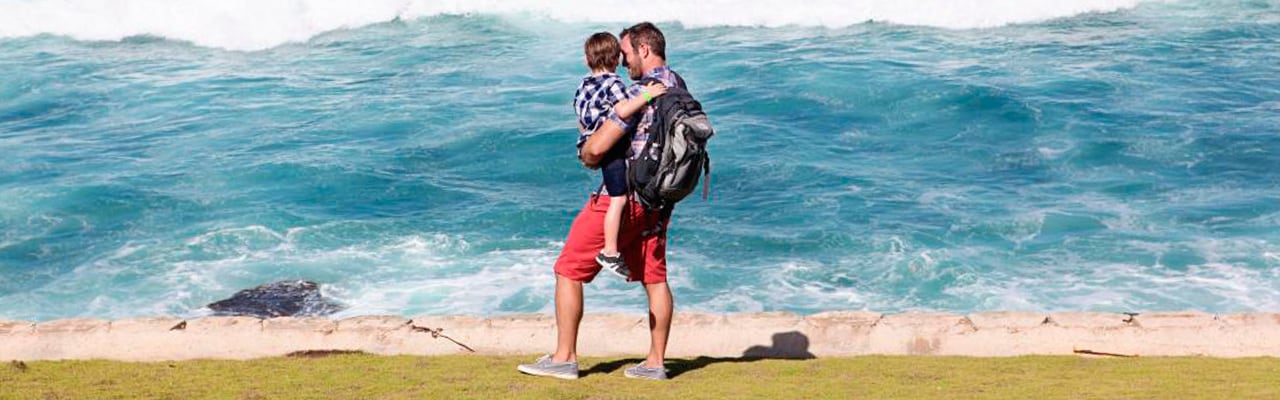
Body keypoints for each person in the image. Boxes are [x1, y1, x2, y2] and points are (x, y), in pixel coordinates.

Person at [518, 22, 686, 381]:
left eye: (626, 54)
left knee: (568, 268)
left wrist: (587, 153)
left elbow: (597, 148)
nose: (623, 63)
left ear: (644, 50)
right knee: (654, 277)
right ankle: (655, 363)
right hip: (659, 199)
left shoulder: (640, 92)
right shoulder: (677, 85)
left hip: (625, 197)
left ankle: (564, 357)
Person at [571, 32, 666, 279]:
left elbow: (580, 120)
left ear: (587, 60)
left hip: (589, 141)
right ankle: (610, 252)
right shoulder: (613, 83)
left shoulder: (582, 86)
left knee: (618, 195)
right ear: (615, 60)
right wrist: (648, 95)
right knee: (619, 199)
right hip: (612, 149)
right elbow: (623, 110)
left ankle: (618, 246)